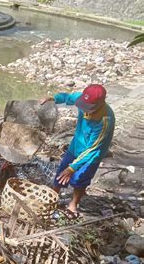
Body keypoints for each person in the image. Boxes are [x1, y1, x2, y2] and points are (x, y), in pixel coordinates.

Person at [41, 84, 115, 218]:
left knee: (80, 179)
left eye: (89, 109)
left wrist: (73, 168)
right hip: (75, 146)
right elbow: (67, 97)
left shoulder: (105, 121)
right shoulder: (83, 100)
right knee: (61, 172)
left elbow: (92, 149)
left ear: (100, 104)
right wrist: (52, 98)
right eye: (84, 107)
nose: (85, 112)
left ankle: (73, 204)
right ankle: (53, 196)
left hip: (92, 155)